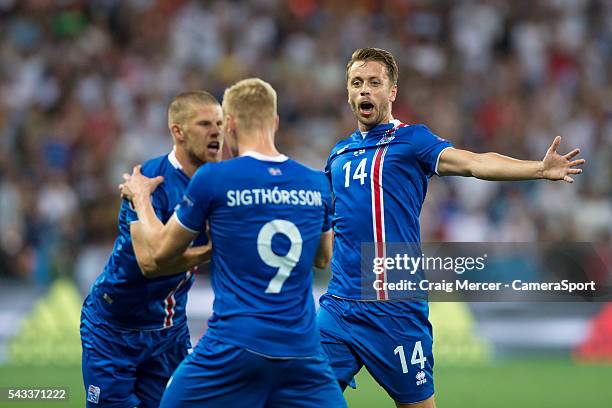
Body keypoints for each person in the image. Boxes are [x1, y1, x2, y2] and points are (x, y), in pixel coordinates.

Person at [318, 47, 586, 408]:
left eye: (374, 83)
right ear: (348, 92)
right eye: (357, 83)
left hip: (393, 306)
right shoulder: (338, 154)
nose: (365, 90)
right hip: (339, 305)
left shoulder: (411, 141)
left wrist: (537, 169)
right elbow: (332, 224)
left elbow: (474, 163)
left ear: (392, 91)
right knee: (303, 393)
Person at [119, 78, 346, 408]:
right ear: (276, 122)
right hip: (301, 351)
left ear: (231, 124)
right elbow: (324, 259)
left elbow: (162, 252)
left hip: (234, 344)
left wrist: (141, 198)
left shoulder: (213, 179)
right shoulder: (316, 183)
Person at [80, 90, 224, 407]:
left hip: (169, 332)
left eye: (220, 123)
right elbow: (150, 263)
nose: (216, 131)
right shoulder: (149, 181)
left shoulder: (221, 183)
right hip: (115, 326)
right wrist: (215, 248)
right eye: (204, 124)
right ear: (178, 131)